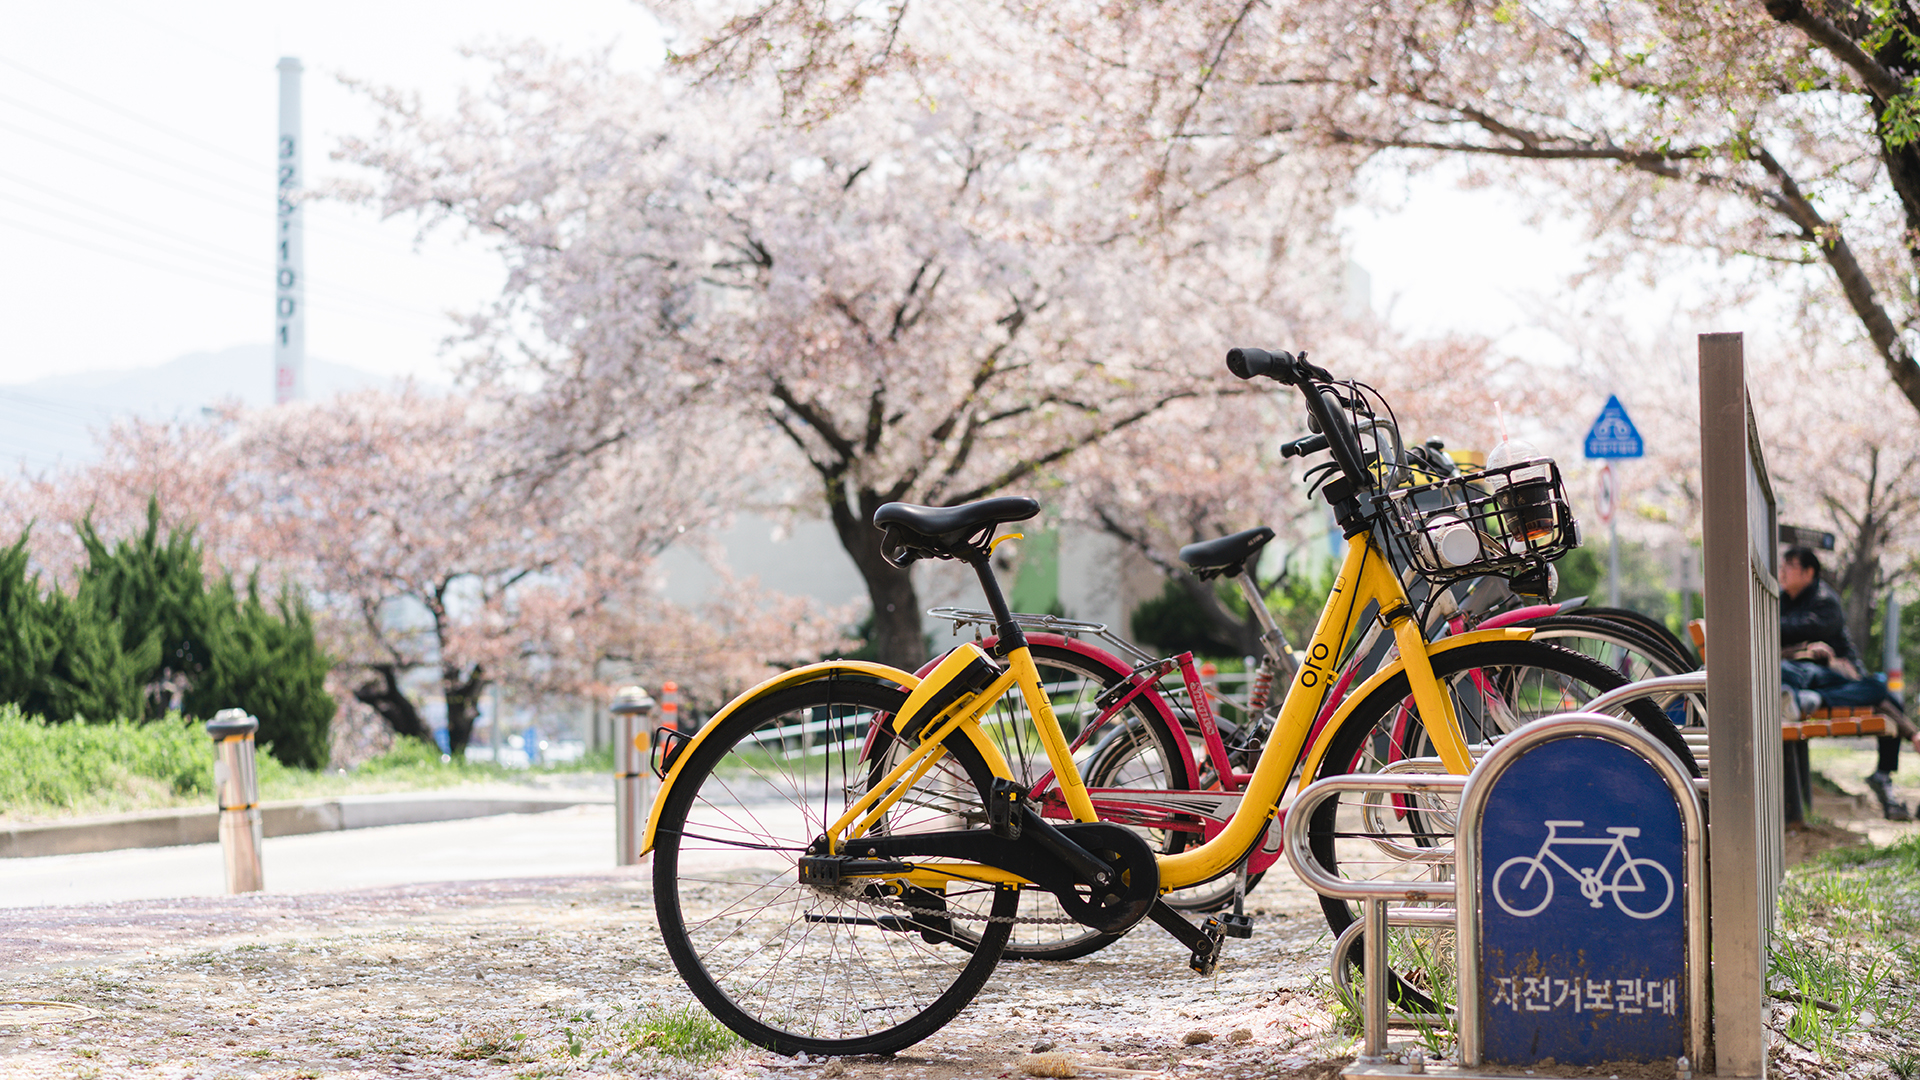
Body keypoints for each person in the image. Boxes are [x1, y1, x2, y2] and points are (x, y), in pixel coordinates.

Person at [1779, 546, 1919, 820]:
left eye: (1789, 565)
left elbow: (1799, 630)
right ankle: (1890, 768)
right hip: (1805, 679)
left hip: (1840, 677)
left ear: (1809, 572)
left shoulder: (1824, 600)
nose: (1781, 571)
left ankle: (1884, 773)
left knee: (1881, 690)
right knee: (1881, 693)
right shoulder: (1783, 600)